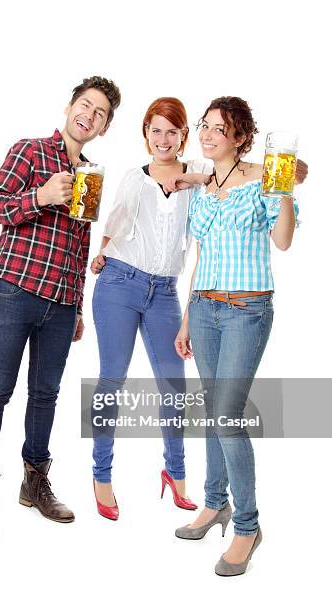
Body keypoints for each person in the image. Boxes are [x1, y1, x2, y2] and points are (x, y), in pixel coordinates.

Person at [0, 76, 121, 539]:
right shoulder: (29, 151)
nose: (89, 116)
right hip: (14, 291)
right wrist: (41, 196)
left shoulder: (92, 174)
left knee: (46, 396)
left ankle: (35, 482)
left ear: (104, 128)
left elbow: (79, 241)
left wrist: (78, 307)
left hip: (61, 304)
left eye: (100, 114)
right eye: (85, 105)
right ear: (71, 106)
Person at [172, 96, 306, 576]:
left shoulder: (264, 179)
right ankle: (214, 504)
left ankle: (247, 526)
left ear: (240, 136)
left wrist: (286, 189)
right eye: (204, 126)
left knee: (226, 414)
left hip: (247, 309)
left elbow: (284, 240)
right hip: (205, 307)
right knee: (213, 410)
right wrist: (188, 318)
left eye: (218, 128)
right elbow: (200, 256)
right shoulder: (206, 187)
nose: (207, 134)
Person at [89, 97, 210, 520]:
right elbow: (116, 224)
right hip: (120, 282)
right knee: (112, 380)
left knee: (174, 388)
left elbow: (226, 176)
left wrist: (183, 179)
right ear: (145, 134)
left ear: (183, 136)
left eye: (171, 131)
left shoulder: (200, 175)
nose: (163, 139)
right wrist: (102, 254)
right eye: (155, 130)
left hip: (165, 292)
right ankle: (101, 475)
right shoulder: (132, 178)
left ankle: (175, 473)